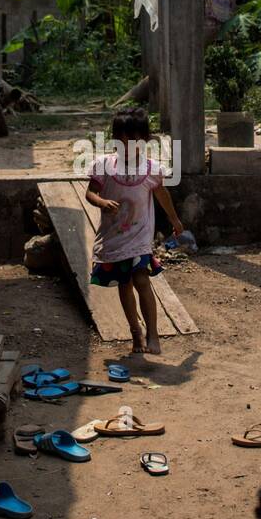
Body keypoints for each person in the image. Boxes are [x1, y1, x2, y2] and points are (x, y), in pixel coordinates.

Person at [85, 108, 185, 355]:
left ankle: (153, 335)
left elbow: (162, 194)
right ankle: (135, 333)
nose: (128, 145)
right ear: (115, 140)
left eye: (134, 140)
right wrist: (101, 202)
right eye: (122, 140)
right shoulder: (104, 165)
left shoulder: (151, 169)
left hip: (140, 237)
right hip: (115, 238)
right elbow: (90, 193)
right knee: (124, 284)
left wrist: (175, 220)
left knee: (141, 279)